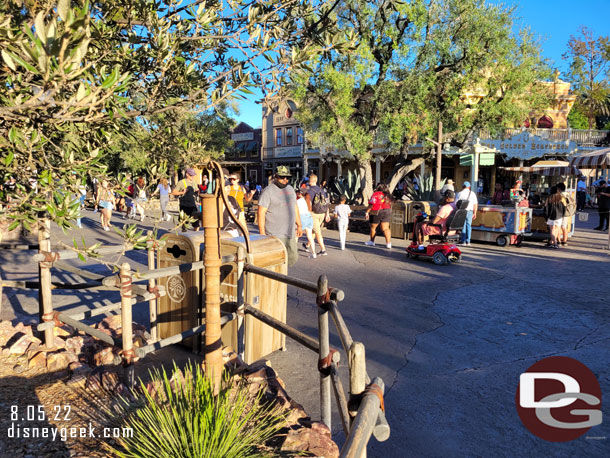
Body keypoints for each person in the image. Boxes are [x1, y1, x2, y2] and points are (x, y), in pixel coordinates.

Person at [257, 166, 303, 267]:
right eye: (282, 177)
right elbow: (261, 213)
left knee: (292, 257)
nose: (285, 180)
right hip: (274, 234)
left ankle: (282, 278)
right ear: (276, 176)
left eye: (287, 178)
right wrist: (262, 233)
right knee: (276, 262)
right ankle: (277, 280)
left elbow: (295, 207)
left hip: (289, 233)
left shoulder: (290, 189)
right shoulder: (268, 191)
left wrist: (299, 225)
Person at [305, 173, 330, 256]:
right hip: (322, 213)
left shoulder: (308, 191)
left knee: (317, 232)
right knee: (314, 230)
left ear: (309, 181)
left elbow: (307, 204)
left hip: (313, 213)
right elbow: (326, 202)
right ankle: (308, 245)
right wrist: (327, 214)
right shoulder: (322, 190)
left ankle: (323, 249)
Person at [364, 184, 393, 248]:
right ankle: (388, 243)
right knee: (385, 228)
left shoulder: (375, 194)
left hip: (377, 211)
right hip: (387, 210)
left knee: (373, 227)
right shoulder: (388, 195)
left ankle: (372, 241)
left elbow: (371, 204)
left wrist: (367, 212)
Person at [455, 181, 478, 246]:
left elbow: (456, 203)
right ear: (469, 187)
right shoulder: (472, 194)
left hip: (462, 211)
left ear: (463, 186)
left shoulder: (459, 193)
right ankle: (468, 241)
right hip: (470, 211)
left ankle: (463, 241)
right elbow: (475, 204)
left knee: (463, 226)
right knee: (469, 226)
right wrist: (475, 213)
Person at [296, 189, 317, 258]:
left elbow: (296, 211)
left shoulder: (298, 201)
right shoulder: (308, 201)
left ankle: (294, 251)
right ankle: (314, 253)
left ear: (299, 194)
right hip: (309, 217)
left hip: (302, 217)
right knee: (310, 236)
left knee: (296, 235)